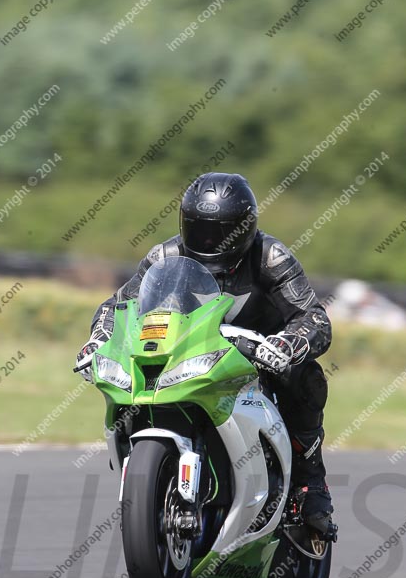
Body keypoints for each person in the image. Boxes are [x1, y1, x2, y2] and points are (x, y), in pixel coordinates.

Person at [77, 172, 336, 538]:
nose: (210, 241)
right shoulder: (165, 256)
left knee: (306, 378)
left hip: (259, 354)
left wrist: (288, 344)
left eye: (221, 232)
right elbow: (119, 305)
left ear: (245, 229)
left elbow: (313, 317)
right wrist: (100, 339)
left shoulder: (270, 256)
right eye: (200, 231)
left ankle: (311, 485)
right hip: (190, 352)